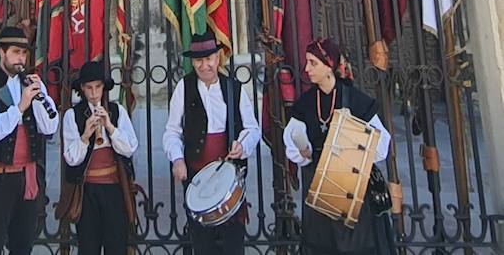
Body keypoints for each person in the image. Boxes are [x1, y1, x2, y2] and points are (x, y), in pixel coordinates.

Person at [282, 37, 397, 255]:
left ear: (329, 66)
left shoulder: (356, 100)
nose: (307, 69)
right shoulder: (305, 103)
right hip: (319, 190)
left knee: (356, 246)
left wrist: (354, 149)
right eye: (307, 62)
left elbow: (382, 143)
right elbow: (291, 139)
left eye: (313, 63)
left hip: (352, 188)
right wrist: (302, 152)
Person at [163, 30, 261, 255]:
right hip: (198, 178)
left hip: (229, 179)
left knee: (233, 243)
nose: (204, 65)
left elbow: (252, 129)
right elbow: (172, 131)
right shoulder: (183, 88)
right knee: (202, 243)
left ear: (218, 59)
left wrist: (241, 146)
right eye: (198, 60)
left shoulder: (233, 88)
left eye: (208, 59)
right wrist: (177, 160)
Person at [0, 24, 59, 255]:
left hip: (27, 177)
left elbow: (50, 126)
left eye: (23, 53)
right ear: (1, 52)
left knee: (23, 245)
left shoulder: (30, 85)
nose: (20, 59)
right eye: (15, 52)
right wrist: (20, 107)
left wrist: (40, 99)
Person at [59, 59, 139, 255]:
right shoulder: (72, 115)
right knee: (88, 246)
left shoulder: (117, 110)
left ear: (104, 87)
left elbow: (130, 148)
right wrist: (86, 135)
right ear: (82, 89)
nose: (94, 93)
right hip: (86, 190)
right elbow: (71, 159)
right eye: (89, 88)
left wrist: (110, 127)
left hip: (113, 188)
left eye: (98, 87)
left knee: (116, 244)